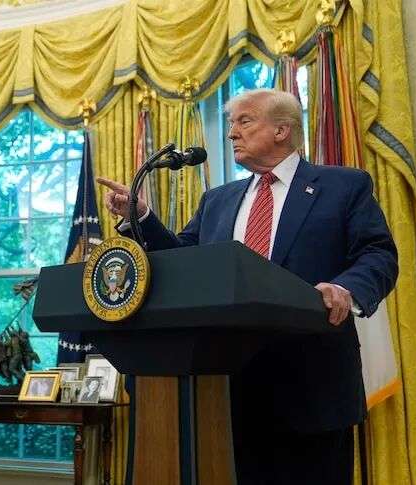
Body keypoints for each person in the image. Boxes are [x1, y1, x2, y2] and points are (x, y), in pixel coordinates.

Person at [96, 88, 397, 485]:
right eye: (231, 124)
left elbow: (378, 254)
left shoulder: (343, 186)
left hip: (311, 383)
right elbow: (184, 261)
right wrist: (143, 217)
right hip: (226, 388)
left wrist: (347, 289)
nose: (231, 133)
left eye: (244, 121)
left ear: (281, 130)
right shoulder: (219, 199)